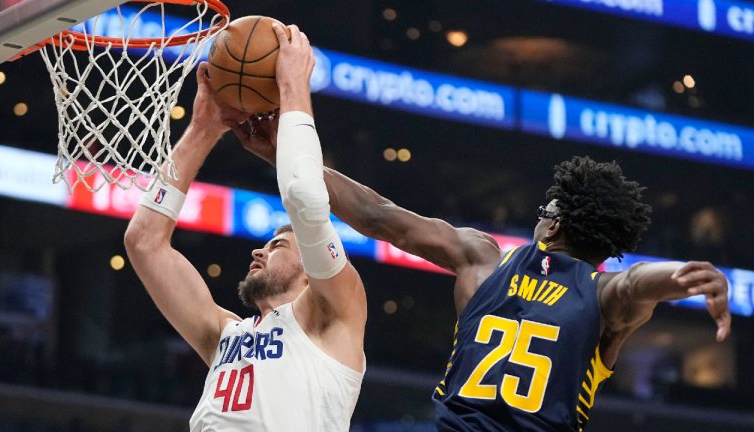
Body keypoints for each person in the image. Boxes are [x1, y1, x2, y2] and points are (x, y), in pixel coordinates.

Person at [235, 119, 731, 430]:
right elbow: (638, 281)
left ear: (552, 222)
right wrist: (683, 276)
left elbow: (380, 215)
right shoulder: (604, 298)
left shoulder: (483, 261)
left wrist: (290, 159)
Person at [124, 23, 366, 431]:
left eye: (277, 244)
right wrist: (204, 129)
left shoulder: (336, 313)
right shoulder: (225, 334)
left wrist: (292, 89)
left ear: (311, 267)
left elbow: (306, 201)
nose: (259, 251)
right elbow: (144, 242)